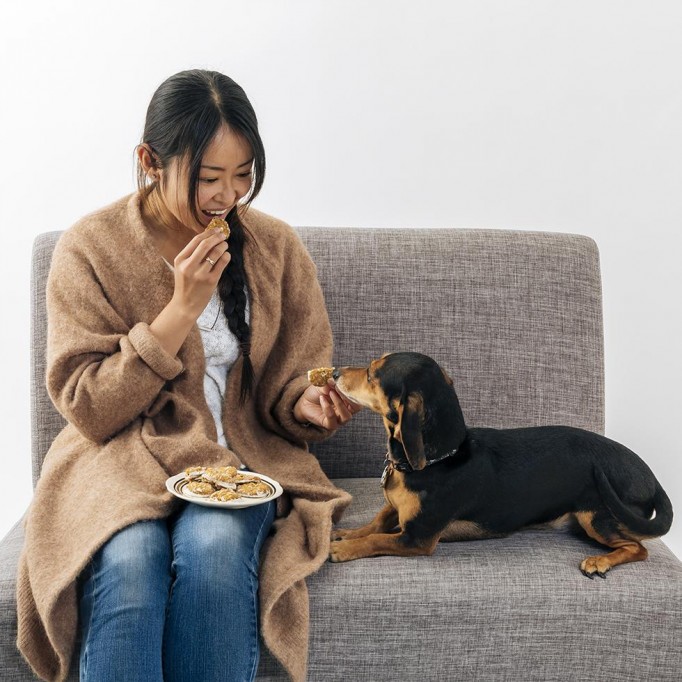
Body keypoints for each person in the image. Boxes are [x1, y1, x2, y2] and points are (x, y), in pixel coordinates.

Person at [17, 69, 360, 682]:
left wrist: (305, 404)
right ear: (151, 160)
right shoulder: (89, 249)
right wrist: (180, 309)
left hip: (236, 465)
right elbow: (89, 406)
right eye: (208, 178)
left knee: (216, 551)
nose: (227, 196)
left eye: (243, 175)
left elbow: (292, 380)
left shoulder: (275, 248)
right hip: (119, 461)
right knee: (129, 561)